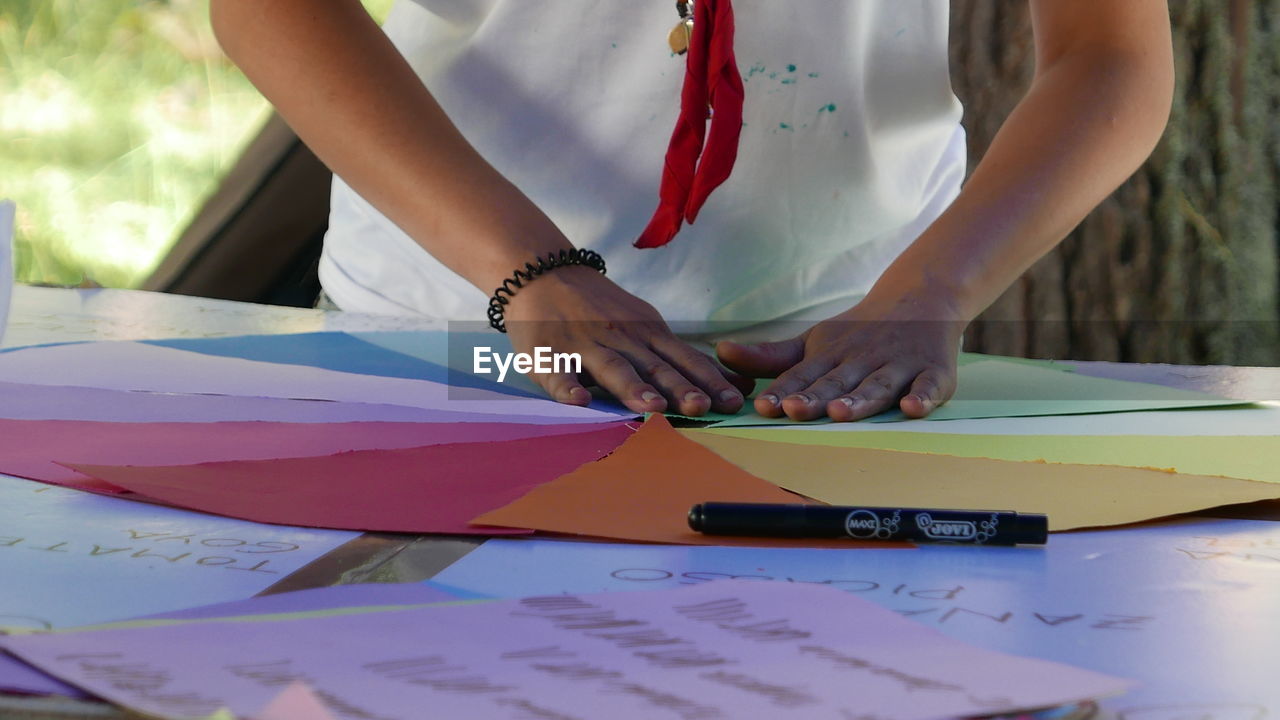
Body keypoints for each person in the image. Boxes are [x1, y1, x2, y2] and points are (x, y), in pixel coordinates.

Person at [209, 0, 1174, 421]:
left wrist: (932, 291)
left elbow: (1111, 53)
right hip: (459, 324)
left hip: (829, 359)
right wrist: (530, 270)